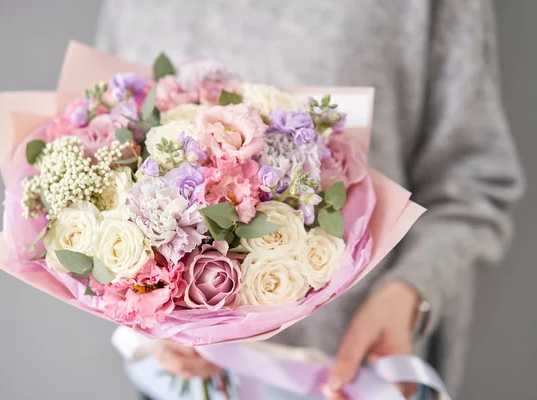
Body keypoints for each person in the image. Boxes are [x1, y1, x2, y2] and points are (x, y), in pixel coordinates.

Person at [95, 0, 525, 399]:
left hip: (345, 378)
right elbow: (105, 157)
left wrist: (411, 292)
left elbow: (474, 181)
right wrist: (149, 309)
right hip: (166, 386)